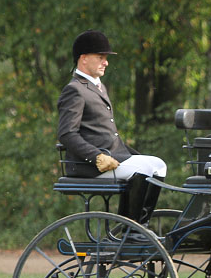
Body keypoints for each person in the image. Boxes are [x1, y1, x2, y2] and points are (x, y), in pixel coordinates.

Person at [56, 30, 167, 225]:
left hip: (113, 157)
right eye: (100, 57)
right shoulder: (74, 89)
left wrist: (132, 154)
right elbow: (66, 133)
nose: (106, 62)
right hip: (90, 165)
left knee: (158, 165)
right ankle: (131, 229)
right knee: (146, 168)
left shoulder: (98, 87)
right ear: (83, 59)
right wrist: (96, 156)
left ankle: (139, 224)